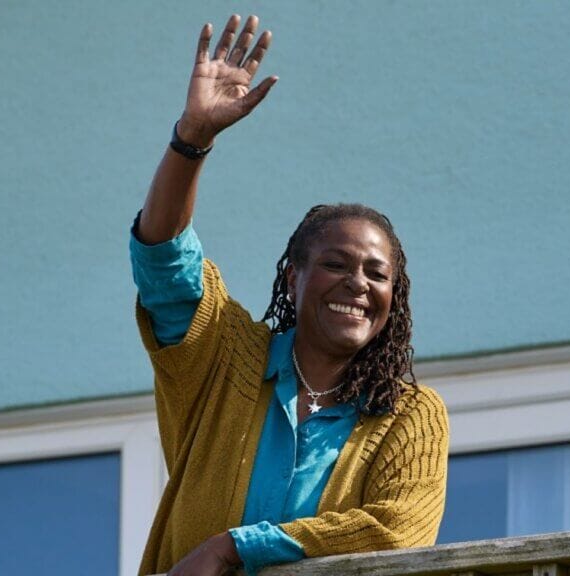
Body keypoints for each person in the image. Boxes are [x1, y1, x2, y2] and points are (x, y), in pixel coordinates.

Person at [130, 14, 449, 576]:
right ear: (292, 278)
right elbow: (163, 258)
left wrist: (234, 546)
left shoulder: (409, 416)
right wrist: (192, 140)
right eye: (335, 263)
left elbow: (395, 530)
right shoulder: (223, 361)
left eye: (378, 275)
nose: (358, 284)